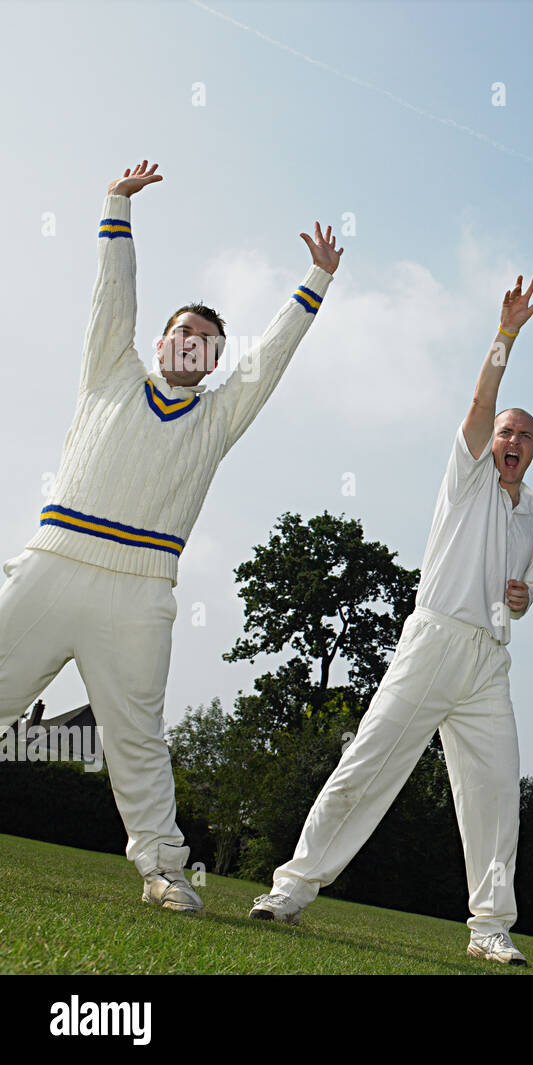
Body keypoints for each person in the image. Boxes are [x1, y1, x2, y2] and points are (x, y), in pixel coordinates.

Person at [0, 160, 342, 913]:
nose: (193, 342)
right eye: (183, 331)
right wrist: (116, 207)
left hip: (141, 593)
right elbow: (110, 301)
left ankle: (162, 869)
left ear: (215, 362)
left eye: (208, 340)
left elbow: (270, 362)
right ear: (160, 343)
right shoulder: (108, 373)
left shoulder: (217, 419)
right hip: (54, 561)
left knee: (138, 743)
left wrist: (313, 284)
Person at [250, 276, 533, 967]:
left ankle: (489, 927)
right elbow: (480, 400)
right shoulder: (467, 476)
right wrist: (505, 338)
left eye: (524, 436)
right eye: (506, 430)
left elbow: (526, 592)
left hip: (488, 665)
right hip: (434, 639)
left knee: (498, 794)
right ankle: (291, 887)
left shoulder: (530, 513)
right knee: (369, 762)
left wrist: (521, 600)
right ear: (490, 439)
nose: (511, 438)